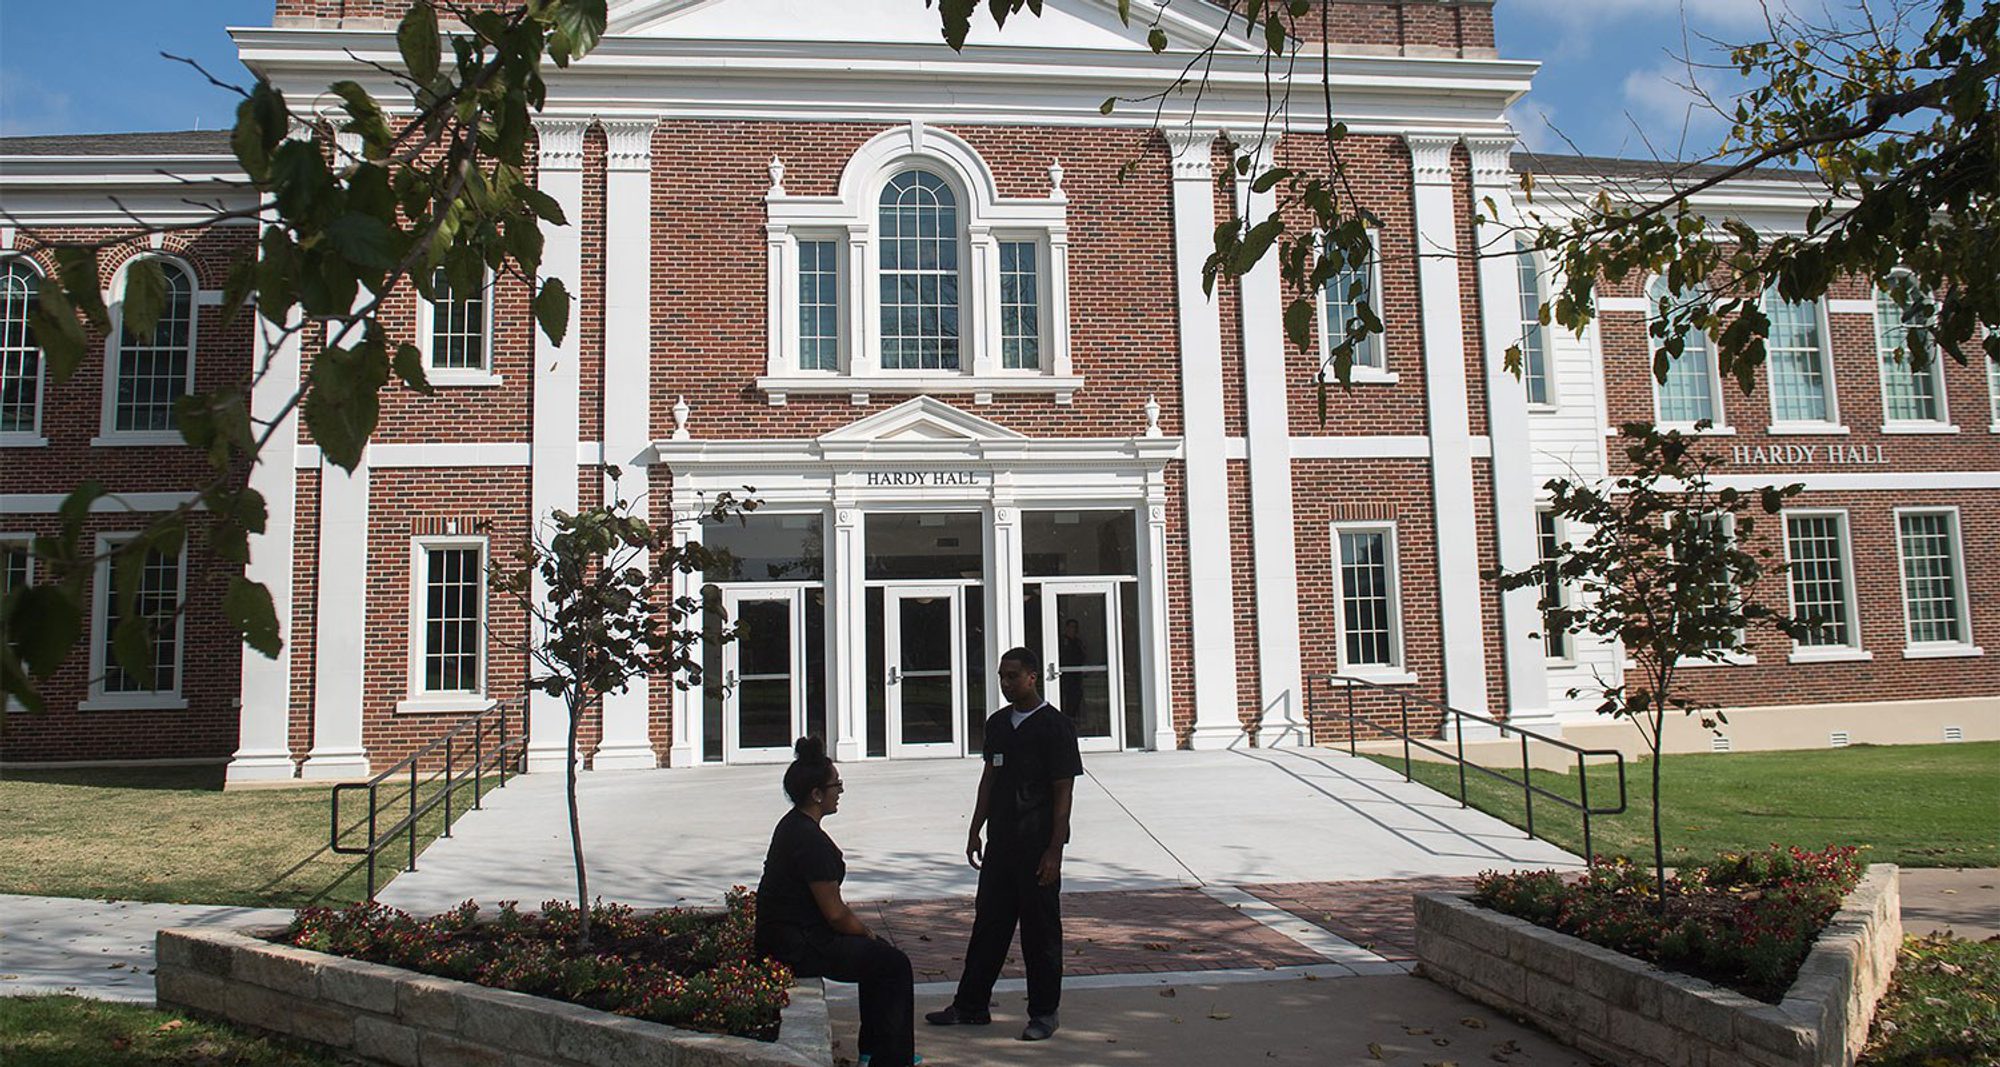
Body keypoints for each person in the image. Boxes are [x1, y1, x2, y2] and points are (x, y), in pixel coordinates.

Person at [924, 647, 1083, 1042]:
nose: (1006, 683)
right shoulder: (997, 724)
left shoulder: (1055, 727)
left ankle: (1044, 1013)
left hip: (1037, 848)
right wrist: (975, 828)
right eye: (1001, 676)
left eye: (1013, 676)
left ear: (1033, 676)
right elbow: (989, 779)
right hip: (1001, 846)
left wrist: (1054, 850)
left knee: (1040, 932)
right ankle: (970, 1005)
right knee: (989, 926)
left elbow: (1064, 791)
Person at [755, 736, 917, 1067]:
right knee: (894, 965)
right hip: (798, 945)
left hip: (789, 935)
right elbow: (835, 914)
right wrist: (866, 932)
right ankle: (891, 1059)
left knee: (882, 960)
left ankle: (874, 1051)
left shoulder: (793, 827)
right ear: (816, 794)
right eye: (836, 785)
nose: (840, 791)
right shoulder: (809, 841)